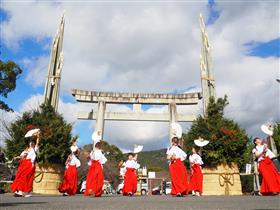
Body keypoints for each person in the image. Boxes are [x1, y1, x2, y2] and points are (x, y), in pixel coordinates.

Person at [10, 130, 40, 197]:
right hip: (23, 165)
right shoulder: (25, 150)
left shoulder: (35, 149)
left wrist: (38, 136)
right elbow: (21, 156)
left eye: (33, 142)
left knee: (26, 178)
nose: (31, 143)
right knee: (20, 177)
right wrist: (16, 157)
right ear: (28, 143)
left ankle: (23, 192)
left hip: (30, 165)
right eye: (30, 142)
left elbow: (38, 143)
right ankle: (21, 191)